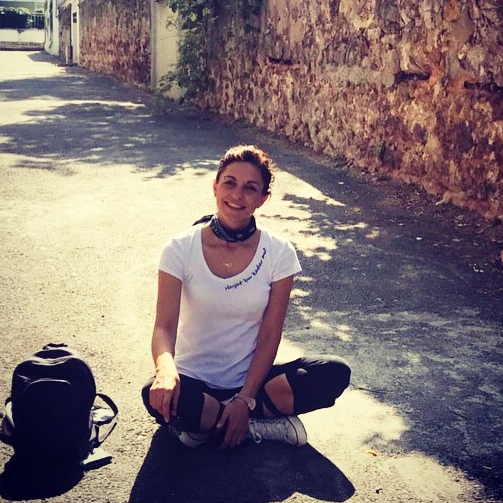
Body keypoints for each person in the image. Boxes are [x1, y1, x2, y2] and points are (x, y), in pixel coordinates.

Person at [142, 145, 351, 449]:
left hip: (253, 382)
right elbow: (164, 326)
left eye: (250, 188)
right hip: (193, 381)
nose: (237, 195)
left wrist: (245, 398)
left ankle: (215, 425)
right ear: (215, 187)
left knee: (333, 372)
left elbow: (270, 334)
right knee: (153, 393)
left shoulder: (279, 252)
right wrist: (165, 372)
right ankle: (255, 425)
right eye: (230, 183)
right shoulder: (179, 248)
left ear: (263, 199)